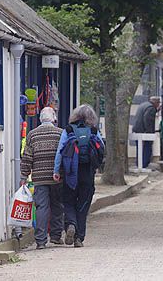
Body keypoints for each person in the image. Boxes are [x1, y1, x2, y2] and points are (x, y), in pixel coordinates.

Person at [53, 104, 105, 248]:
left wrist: (56, 171)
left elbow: (60, 152)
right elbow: (101, 149)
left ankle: (71, 224)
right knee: (83, 204)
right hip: (87, 173)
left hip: (70, 172)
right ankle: (79, 238)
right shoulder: (93, 131)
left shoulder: (68, 130)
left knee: (68, 201)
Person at [20, 107, 64, 250]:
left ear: (40, 119)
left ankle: (40, 240)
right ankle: (56, 236)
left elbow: (27, 157)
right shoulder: (60, 133)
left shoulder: (32, 135)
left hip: (39, 178)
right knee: (57, 206)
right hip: (56, 177)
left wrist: (24, 175)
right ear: (54, 119)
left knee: (42, 208)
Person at [132, 96, 161, 168]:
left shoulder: (143, 105)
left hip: (137, 129)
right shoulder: (151, 108)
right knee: (147, 147)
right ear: (156, 102)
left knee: (139, 148)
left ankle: (139, 164)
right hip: (144, 131)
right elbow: (148, 120)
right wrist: (149, 132)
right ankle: (144, 164)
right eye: (158, 103)